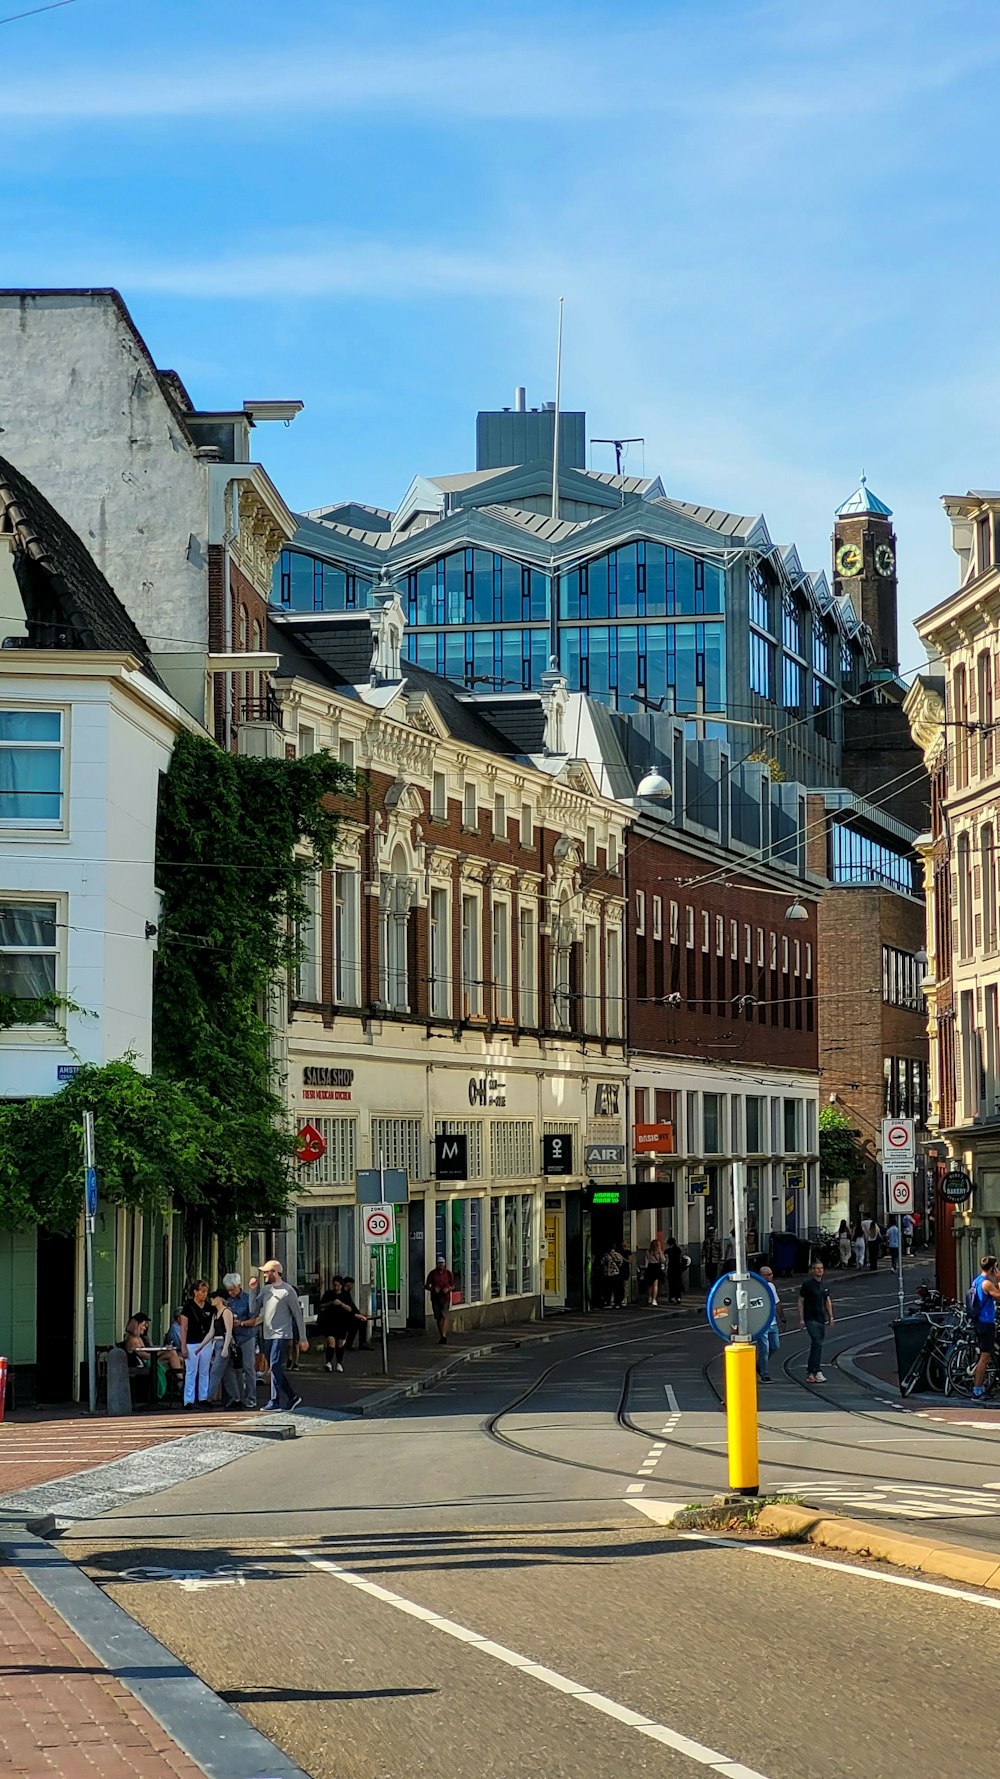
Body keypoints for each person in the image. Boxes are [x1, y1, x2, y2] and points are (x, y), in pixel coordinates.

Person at [248, 1259, 307, 1413]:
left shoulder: (288, 1291)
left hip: (282, 1334)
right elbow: (253, 1309)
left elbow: (297, 1316)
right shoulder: (266, 1290)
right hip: (267, 1334)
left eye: (267, 1272)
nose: (264, 1275)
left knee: (274, 1365)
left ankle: (280, 1399)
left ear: (275, 1272)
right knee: (274, 1368)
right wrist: (253, 1290)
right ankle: (286, 1399)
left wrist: (302, 1337)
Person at [219, 1272, 258, 1409]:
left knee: (248, 1367)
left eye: (233, 1289)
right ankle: (235, 1396)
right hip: (231, 1338)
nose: (231, 1292)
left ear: (239, 1286)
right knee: (230, 1367)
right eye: (228, 1290)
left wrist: (240, 1323)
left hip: (246, 1336)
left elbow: (254, 1320)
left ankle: (251, 1398)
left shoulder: (248, 1299)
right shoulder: (227, 1300)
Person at [179, 1280, 215, 1408]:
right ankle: (188, 1400)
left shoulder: (209, 1308)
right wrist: (183, 1346)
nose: (205, 1295)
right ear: (195, 1292)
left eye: (206, 1292)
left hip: (206, 1343)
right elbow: (184, 1328)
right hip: (191, 1342)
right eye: (202, 1291)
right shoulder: (188, 1307)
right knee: (191, 1371)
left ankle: (203, 1397)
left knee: (204, 1371)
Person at [968, 1255, 1000, 1400]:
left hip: (979, 1322)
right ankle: (977, 1390)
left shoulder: (976, 1281)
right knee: (984, 1357)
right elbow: (999, 1296)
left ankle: (980, 1387)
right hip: (985, 1323)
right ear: (993, 1268)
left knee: (985, 1355)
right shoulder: (986, 1283)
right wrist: (999, 1279)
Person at [798, 1261, 834, 1384]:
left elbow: (827, 1300)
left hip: (821, 1318)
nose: (819, 1271)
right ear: (812, 1270)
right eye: (816, 1269)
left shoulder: (824, 1284)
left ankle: (812, 1372)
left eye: (821, 1268)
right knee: (817, 1342)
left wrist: (831, 1317)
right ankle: (816, 1370)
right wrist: (801, 1318)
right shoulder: (807, 1285)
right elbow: (801, 1301)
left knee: (817, 1345)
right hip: (810, 1318)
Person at [205, 1289, 239, 1408]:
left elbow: (229, 1331)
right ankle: (236, 1398)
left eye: (214, 1298)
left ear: (220, 1299)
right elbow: (211, 1333)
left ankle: (208, 1399)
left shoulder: (226, 1312)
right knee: (228, 1374)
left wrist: (225, 1348)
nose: (212, 1300)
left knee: (215, 1371)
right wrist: (200, 1347)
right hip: (218, 1343)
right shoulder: (216, 1314)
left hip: (224, 1343)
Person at [756, 1265, 786, 1382]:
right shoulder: (756, 1288)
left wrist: (782, 1318)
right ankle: (765, 1374)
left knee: (775, 1346)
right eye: (767, 1275)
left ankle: (759, 1365)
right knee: (765, 1349)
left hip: (772, 1323)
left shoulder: (771, 1286)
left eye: (771, 1274)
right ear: (761, 1276)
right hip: (761, 1324)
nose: (770, 1277)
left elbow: (777, 1304)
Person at [318, 1276, 353, 1372]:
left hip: (341, 1322)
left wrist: (341, 1304)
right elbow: (321, 1305)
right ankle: (328, 1362)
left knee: (340, 1343)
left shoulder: (346, 1295)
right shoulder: (328, 1294)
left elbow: (350, 1309)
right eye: (334, 1285)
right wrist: (330, 1303)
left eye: (338, 1285)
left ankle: (339, 1363)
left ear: (341, 1286)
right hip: (330, 1321)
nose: (336, 1287)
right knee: (331, 1341)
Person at [425, 1255, 455, 1343]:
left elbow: (453, 1285)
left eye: (442, 1263)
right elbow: (426, 1285)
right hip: (435, 1298)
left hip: (445, 1298)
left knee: (444, 1315)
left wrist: (448, 1289)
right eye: (439, 1263)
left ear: (445, 1264)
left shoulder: (448, 1273)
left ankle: (444, 1335)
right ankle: (441, 1335)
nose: (441, 1265)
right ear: (437, 1264)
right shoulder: (432, 1273)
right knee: (438, 1317)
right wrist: (433, 1288)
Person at [341, 1276, 373, 1351]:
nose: (352, 1286)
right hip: (344, 1316)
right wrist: (356, 1314)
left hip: (350, 1314)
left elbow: (351, 1305)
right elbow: (347, 1307)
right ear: (347, 1284)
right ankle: (348, 1345)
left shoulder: (347, 1293)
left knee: (362, 1322)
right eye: (351, 1284)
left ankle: (361, 1343)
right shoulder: (343, 1293)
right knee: (355, 1324)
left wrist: (359, 1313)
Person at [665, 1236, 688, 1304]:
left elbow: (666, 1255)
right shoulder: (678, 1249)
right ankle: (678, 1297)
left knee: (671, 1283)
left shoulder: (669, 1250)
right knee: (678, 1283)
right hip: (678, 1268)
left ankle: (671, 1296)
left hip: (671, 1268)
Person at [644, 1240, 665, 1307]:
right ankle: (654, 1299)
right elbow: (663, 1260)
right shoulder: (659, 1252)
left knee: (649, 1284)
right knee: (655, 1285)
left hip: (650, 1267)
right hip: (657, 1267)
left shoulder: (648, 1251)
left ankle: (649, 1297)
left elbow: (646, 1262)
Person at [613, 1242, 631, 1309]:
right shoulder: (619, 1252)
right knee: (620, 1284)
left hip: (625, 1270)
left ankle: (625, 1299)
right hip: (620, 1270)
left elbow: (630, 1261)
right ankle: (621, 1298)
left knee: (625, 1284)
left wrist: (622, 1258)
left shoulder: (628, 1252)